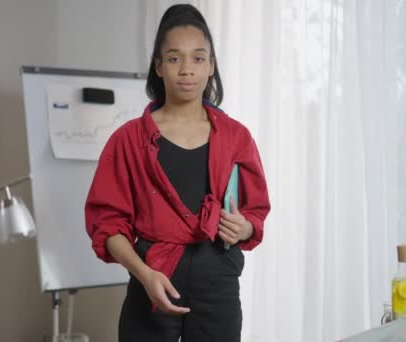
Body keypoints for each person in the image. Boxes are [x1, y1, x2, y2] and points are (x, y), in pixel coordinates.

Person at [85, 4, 270, 341]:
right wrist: (144, 275)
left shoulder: (236, 137)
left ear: (211, 66)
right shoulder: (128, 140)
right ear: (158, 66)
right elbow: (107, 225)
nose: (187, 70)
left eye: (198, 58)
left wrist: (242, 227)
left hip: (218, 284)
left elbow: (254, 214)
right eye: (174, 58)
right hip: (151, 278)